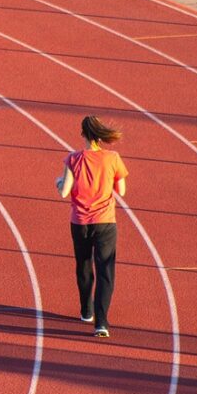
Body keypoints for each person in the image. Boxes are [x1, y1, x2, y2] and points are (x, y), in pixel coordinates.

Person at [56, 116, 128, 337]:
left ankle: (86, 311)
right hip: (105, 221)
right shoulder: (113, 158)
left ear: (83, 135)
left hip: (80, 222)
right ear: (100, 134)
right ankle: (101, 323)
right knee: (105, 270)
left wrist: (59, 182)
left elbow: (64, 191)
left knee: (84, 265)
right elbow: (122, 190)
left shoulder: (73, 158)